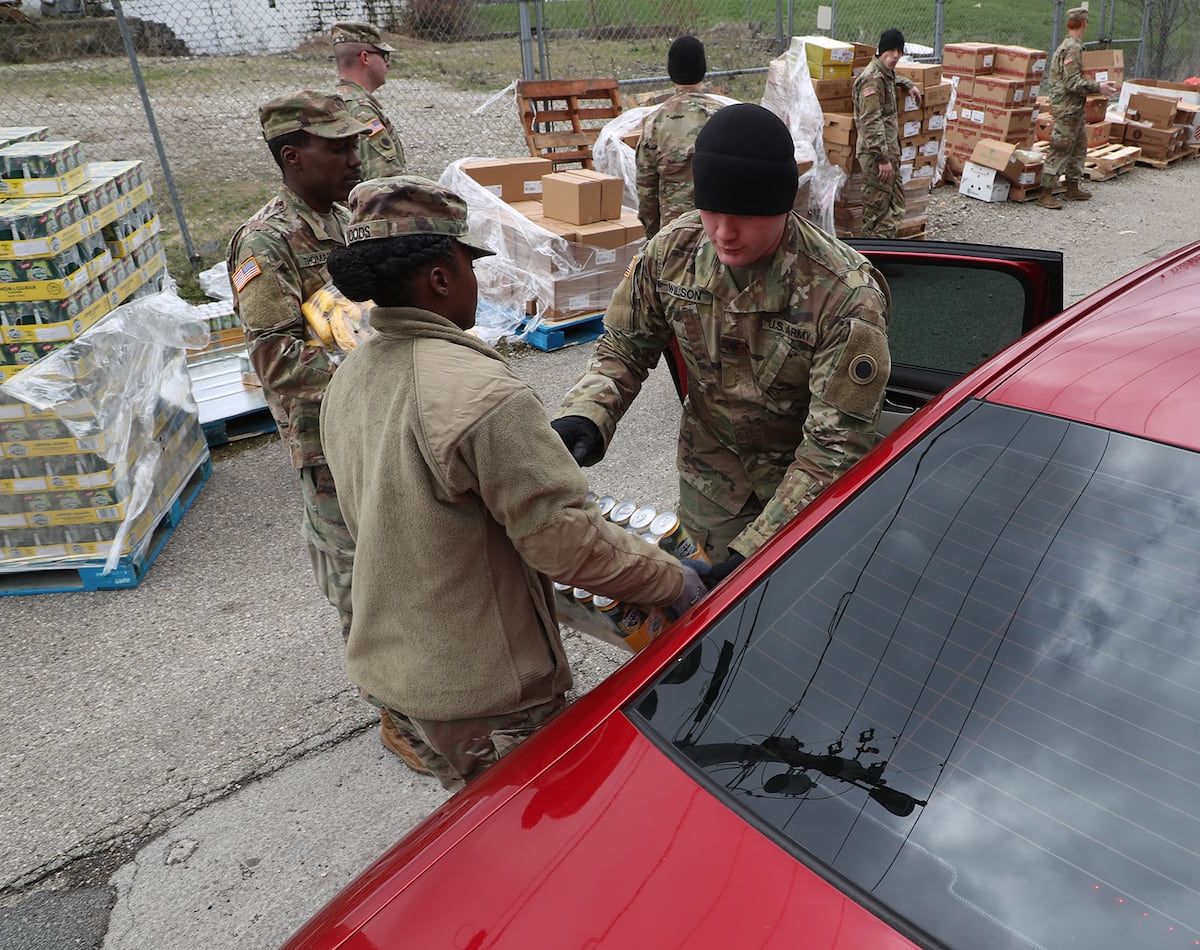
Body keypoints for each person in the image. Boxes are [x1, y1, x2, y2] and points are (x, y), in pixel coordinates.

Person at [319, 176, 706, 790]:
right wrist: (673, 581)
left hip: (398, 677)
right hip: (486, 695)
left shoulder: (350, 376)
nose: (478, 281)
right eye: (469, 266)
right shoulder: (482, 396)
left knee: (480, 826)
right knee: (544, 831)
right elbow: (564, 543)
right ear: (441, 278)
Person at [551, 104, 893, 586]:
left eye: (746, 216)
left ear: (782, 205)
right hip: (711, 483)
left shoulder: (843, 295)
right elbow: (626, 346)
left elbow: (835, 448)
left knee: (796, 613)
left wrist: (754, 552)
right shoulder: (673, 252)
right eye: (712, 210)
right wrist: (587, 412)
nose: (724, 233)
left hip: (805, 494)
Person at [228, 92, 422, 772]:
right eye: (336, 148)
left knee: (402, 566)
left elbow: (361, 318)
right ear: (292, 156)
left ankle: (421, 688)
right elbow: (276, 361)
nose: (353, 157)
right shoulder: (266, 243)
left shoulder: (343, 219)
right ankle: (397, 718)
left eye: (352, 145)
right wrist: (371, 373)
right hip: (326, 447)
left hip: (376, 428)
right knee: (360, 586)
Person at [636, 35, 723, 239]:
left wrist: (654, 237)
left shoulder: (655, 122)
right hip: (720, 231)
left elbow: (646, 189)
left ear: (671, 71)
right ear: (703, 69)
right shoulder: (725, 116)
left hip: (675, 234)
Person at [1039, 7, 1118, 210]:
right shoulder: (1073, 48)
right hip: (1067, 106)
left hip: (1074, 106)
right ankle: (1045, 192)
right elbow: (1072, 81)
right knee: (1061, 146)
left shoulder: (1072, 45)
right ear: (1084, 24)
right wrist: (1098, 86)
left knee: (1079, 144)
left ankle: (1072, 185)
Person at [852, 28, 922, 237]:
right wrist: (882, 158)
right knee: (876, 214)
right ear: (881, 51)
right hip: (877, 156)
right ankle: (874, 256)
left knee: (896, 208)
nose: (895, 56)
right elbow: (870, 122)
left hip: (890, 152)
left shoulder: (886, 74)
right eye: (890, 51)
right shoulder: (871, 80)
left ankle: (883, 250)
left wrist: (908, 84)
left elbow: (892, 80)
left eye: (899, 51)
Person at [332, 21, 408, 180]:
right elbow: (385, 186)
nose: (387, 64)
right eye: (384, 55)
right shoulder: (362, 111)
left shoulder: (333, 101)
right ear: (365, 58)